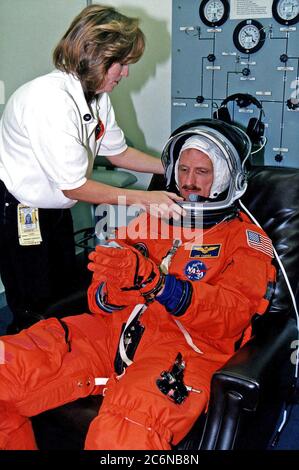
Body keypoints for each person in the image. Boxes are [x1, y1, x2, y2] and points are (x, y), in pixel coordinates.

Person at [0, 119, 276, 450]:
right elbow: (98, 297)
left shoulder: (245, 241)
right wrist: (113, 292)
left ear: (227, 178)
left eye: (202, 172)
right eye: (184, 169)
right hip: (111, 334)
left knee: (123, 436)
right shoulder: (151, 219)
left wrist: (160, 285)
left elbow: (231, 317)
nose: (189, 182)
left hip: (185, 350)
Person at [0, 4, 183, 333]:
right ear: (98, 56)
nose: (125, 73)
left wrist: (176, 167)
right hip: (20, 209)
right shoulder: (48, 101)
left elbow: (118, 153)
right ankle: (20, 370)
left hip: (54, 207)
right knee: (33, 303)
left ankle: (61, 359)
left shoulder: (96, 97)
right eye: (122, 64)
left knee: (62, 289)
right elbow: (74, 186)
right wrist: (144, 199)